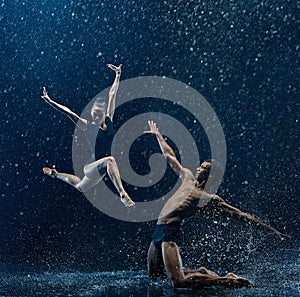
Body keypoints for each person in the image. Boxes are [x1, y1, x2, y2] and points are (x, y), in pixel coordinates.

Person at [144, 120, 288, 289]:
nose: (198, 168)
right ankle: (204, 272)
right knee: (156, 275)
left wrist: (270, 230)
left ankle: (229, 281)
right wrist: (158, 136)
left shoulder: (209, 198)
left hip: (169, 231)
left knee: (178, 281)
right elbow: (170, 157)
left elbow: (240, 215)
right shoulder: (188, 178)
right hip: (158, 229)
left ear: (210, 175)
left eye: (203, 167)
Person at [41, 64, 135, 207]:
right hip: (92, 166)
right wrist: (50, 101)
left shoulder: (109, 120)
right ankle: (123, 194)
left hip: (103, 169)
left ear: (104, 113)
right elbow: (69, 113)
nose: (96, 116)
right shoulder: (88, 126)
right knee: (110, 160)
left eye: (99, 113)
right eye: (94, 113)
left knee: (80, 186)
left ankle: (56, 174)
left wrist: (117, 75)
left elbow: (112, 94)